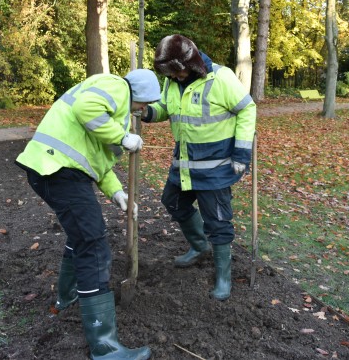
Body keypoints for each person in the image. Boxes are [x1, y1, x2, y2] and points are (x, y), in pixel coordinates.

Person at [15, 69, 160, 360]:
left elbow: (98, 161)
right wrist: (123, 137)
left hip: (55, 170)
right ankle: (104, 347)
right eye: (145, 104)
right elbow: (85, 108)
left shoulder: (114, 114)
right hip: (59, 170)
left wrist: (117, 192)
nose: (144, 110)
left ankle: (67, 298)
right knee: (93, 245)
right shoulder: (117, 87)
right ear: (140, 96)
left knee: (82, 235)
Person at [142, 34, 257, 301]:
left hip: (215, 168)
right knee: (172, 202)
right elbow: (165, 108)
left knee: (217, 221)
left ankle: (223, 278)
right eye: (170, 73)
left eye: (178, 71)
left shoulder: (220, 78)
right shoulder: (171, 81)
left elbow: (247, 109)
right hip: (184, 163)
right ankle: (199, 246)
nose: (176, 77)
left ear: (191, 63)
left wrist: (241, 153)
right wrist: (147, 113)